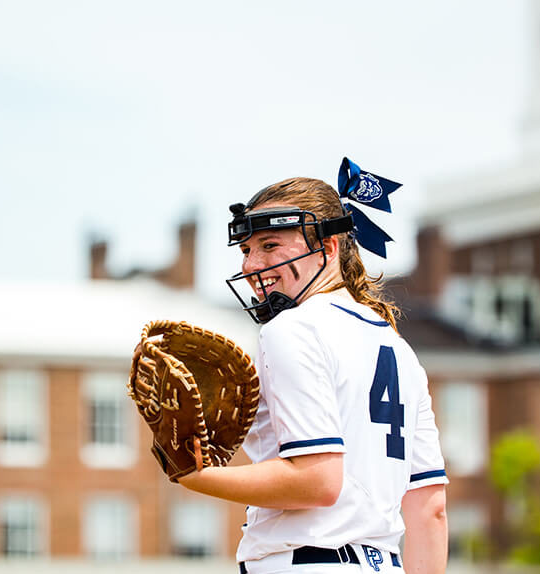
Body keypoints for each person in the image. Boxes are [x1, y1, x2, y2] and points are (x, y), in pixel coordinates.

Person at [178, 159, 449, 574]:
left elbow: (317, 482)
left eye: (270, 245)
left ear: (328, 247)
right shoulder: (399, 349)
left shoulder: (292, 328)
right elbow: (430, 509)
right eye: (247, 250)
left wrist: (193, 474)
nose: (251, 265)